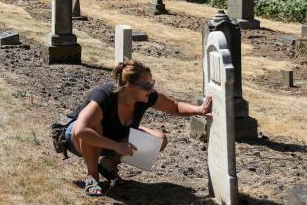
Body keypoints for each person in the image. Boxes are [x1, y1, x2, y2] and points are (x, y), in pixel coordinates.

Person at [65, 59, 212, 196]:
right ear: (129, 87)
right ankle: (92, 175)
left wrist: (199, 110)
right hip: (76, 138)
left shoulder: (146, 97)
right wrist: (117, 145)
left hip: (110, 139)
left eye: (152, 83)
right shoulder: (104, 96)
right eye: (147, 86)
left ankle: (108, 163)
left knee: (159, 139)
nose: (151, 88)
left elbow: (175, 107)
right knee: (94, 125)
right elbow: (81, 130)